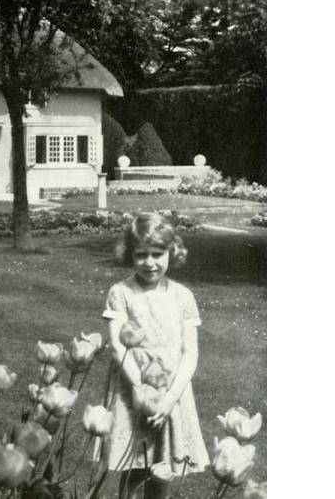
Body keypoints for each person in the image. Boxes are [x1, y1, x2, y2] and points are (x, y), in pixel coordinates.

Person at [99, 213, 210, 499]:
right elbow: (117, 344)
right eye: (141, 255)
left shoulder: (182, 296)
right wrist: (138, 389)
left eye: (157, 254)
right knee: (133, 466)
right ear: (130, 255)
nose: (150, 263)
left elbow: (190, 353)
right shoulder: (121, 292)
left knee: (162, 467)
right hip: (131, 386)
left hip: (171, 389)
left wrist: (171, 397)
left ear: (171, 252)